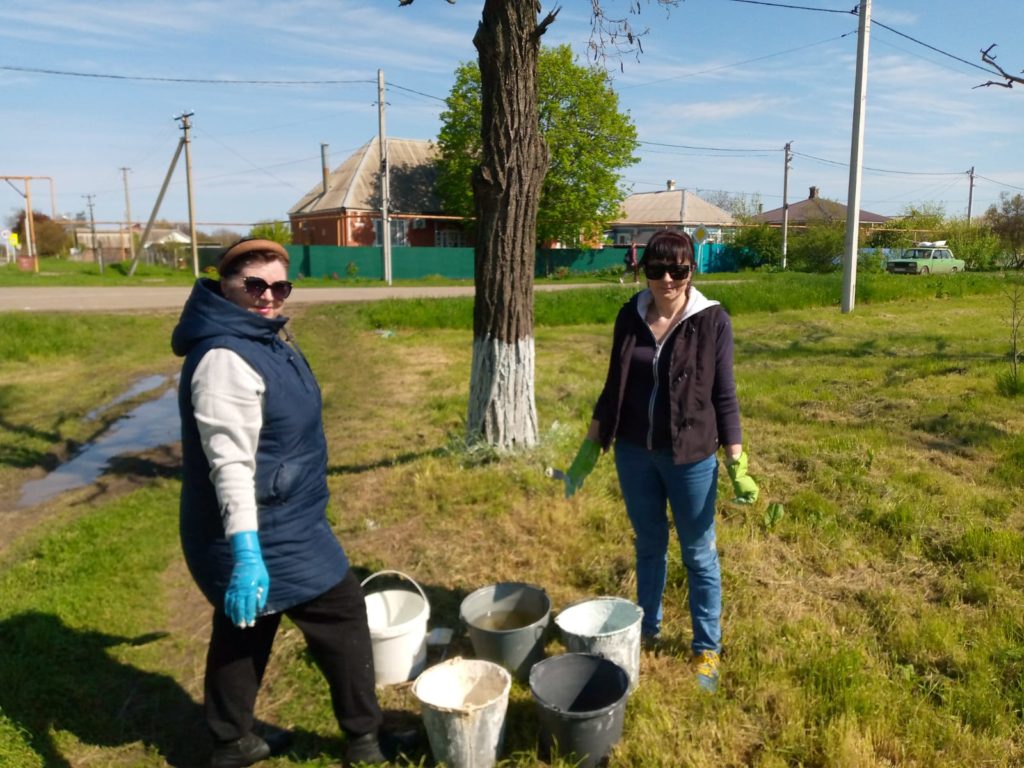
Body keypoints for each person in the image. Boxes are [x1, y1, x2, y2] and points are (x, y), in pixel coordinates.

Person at [172, 238, 392, 768]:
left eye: (279, 286)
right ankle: (364, 742)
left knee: (246, 627)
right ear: (225, 286)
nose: (269, 296)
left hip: (287, 514)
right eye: (254, 286)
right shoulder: (224, 357)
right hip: (259, 527)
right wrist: (247, 553)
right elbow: (230, 466)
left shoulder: (261, 336)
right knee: (340, 612)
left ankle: (231, 743)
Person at [560, 230, 758, 694]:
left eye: (678, 270)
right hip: (633, 453)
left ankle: (707, 646)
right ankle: (646, 630)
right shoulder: (630, 316)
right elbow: (614, 387)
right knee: (649, 544)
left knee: (698, 553)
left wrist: (736, 460)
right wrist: (588, 451)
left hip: (690, 457)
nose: (667, 279)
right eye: (656, 269)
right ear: (644, 271)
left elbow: (723, 394)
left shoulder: (711, 320)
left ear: (692, 271)